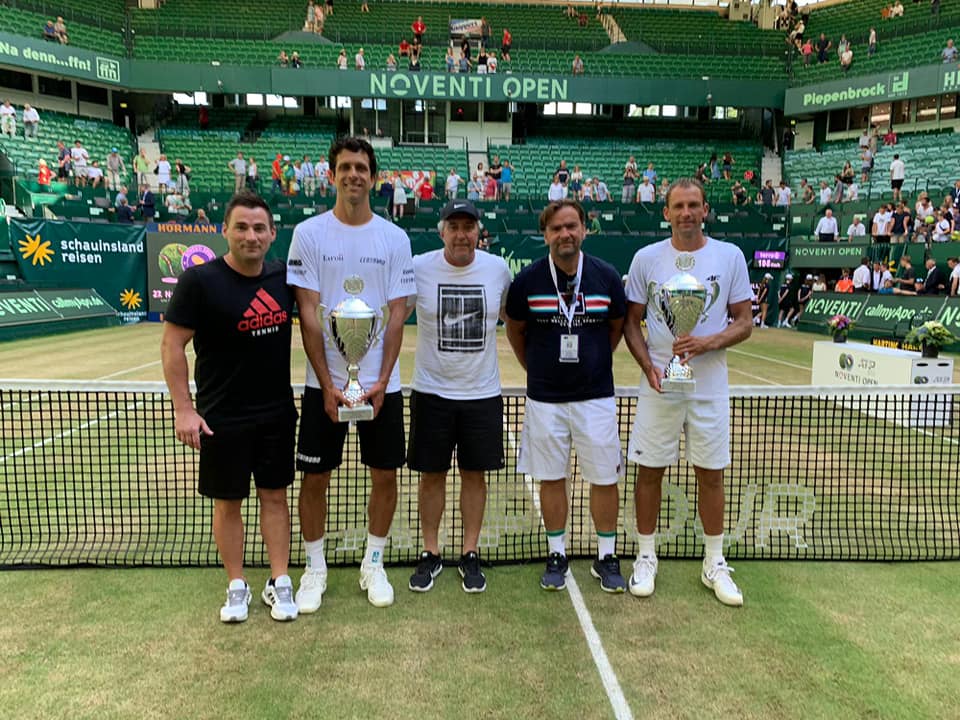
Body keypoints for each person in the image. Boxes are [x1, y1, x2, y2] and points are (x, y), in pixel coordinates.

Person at [286, 137, 415, 611]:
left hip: (383, 385)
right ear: (332, 174)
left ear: (373, 177)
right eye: (345, 167)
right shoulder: (309, 234)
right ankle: (315, 568)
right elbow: (308, 313)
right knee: (315, 480)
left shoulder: (394, 238)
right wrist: (326, 382)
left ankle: (373, 562)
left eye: (361, 167)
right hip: (326, 386)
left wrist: (380, 381)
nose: (353, 175)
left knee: (385, 475)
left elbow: (397, 315)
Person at [162, 191, 298, 624]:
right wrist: (184, 409)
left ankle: (280, 583)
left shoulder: (283, 279)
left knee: (275, 499)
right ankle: (237, 585)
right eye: (241, 227)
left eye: (259, 228)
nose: (251, 236)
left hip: (277, 414)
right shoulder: (198, 282)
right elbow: (172, 345)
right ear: (225, 230)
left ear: (272, 234)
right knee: (228, 504)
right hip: (222, 418)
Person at [622, 178, 752, 606]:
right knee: (650, 471)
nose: (686, 213)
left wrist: (705, 343)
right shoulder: (646, 259)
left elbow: (743, 321)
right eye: (678, 206)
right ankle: (646, 557)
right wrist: (649, 367)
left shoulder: (729, 256)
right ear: (666, 212)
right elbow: (631, 322)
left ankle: (714, 562)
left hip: (710, 384)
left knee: (710, 473)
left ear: (705, 209)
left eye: (693, 205)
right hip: (660, 383)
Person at [505, 199, 627, 593]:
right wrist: (538, 370)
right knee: (551, 477)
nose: (565, 234)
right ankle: (556, 552)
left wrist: (592, 364)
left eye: (571, 226)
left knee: (604, 478)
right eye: (556, 228)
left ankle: (606, 556)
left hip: (595, 397)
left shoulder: (607, 277)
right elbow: (516, 332)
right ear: (545, 235)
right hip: (545, 399)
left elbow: (616, 328)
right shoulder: (527, 281)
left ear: (584, 230)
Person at [407, 200, 512, 594]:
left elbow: (511, 319)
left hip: (481, 394)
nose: (461, 234)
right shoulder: (419, 267)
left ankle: (470, 552)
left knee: (474, 476)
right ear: (442, 231)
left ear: (478, 232)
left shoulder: (497, 269)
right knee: (431, 476)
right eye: (454, 226)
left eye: (469, 226)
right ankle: (431, 552)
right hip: (431, 392)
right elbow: (395, 316)